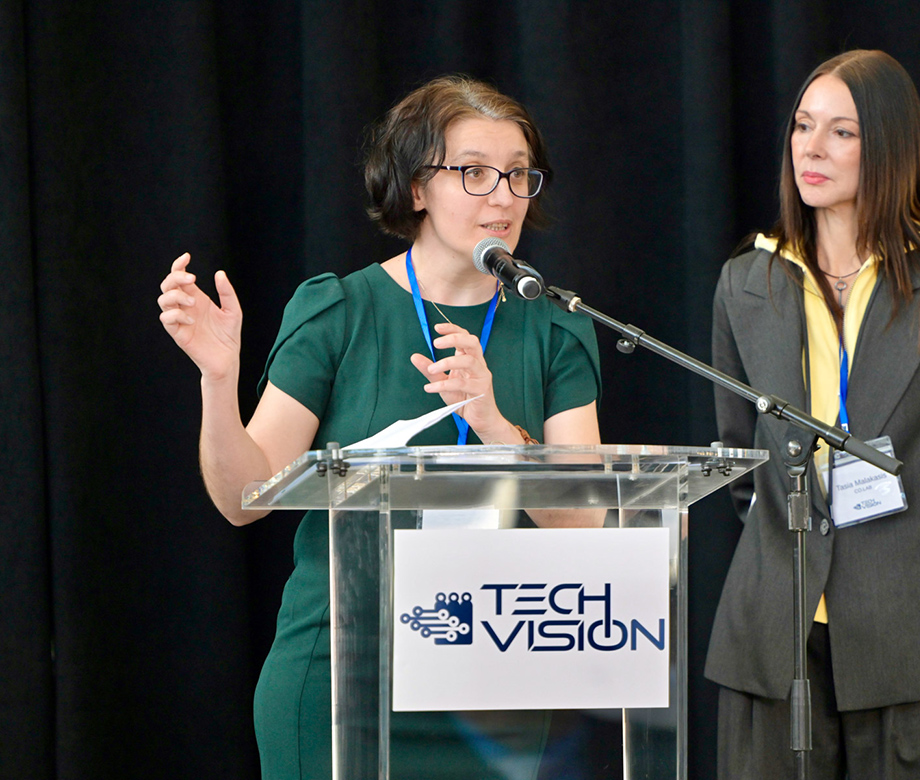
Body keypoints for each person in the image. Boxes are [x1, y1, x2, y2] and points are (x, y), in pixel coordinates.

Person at [158, 75, 602, 779]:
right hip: (338, 677)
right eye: (475, 172)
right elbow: (245, 499)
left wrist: (495, 425)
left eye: (519, 175)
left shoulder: (555, 329)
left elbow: (585, 523)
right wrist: (219, 380)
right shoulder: (338, 312)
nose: (503, 197)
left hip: (495, 684)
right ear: (417, 187)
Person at [705, 50, 920, 779]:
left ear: (889, 146)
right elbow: (740, 456)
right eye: (803, 126)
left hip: (917, 622)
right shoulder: (747, 280)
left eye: (841, 132)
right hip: (778, 622)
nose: (811, 148)